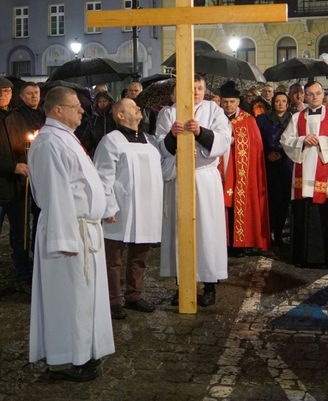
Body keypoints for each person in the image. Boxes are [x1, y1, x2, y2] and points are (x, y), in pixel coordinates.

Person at [28, 87, 114, 382]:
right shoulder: (50, 142)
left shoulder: (65, 138)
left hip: (82, 230)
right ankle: (64, 360)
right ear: (57, 111)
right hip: (66, 231)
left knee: (81, 296)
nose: (82, 110)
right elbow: (56, 195)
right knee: (66, 297)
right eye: (76, 106)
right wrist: (64, 239)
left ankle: (81, 351)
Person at [156, 74, 230, 307]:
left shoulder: (213, 110)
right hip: (178, 176)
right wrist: (172, 137)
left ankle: (209, 285)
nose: (196, 92)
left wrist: (201, 133)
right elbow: (159, 146)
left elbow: (224, 139)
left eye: (200, 88)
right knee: (180, 230)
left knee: (207, 232)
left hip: (204, 179)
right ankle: (183, 285)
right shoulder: (168, 113)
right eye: (192, 87)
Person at [94, 98, 163, 320]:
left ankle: (134, 295)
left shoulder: (149, 140)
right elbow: (103, 176)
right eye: (132, 107)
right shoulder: (111, 141)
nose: (138, 108)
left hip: (146, 206)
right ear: (120, 115)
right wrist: (108, 206)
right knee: (113, 258)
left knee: (139, 256)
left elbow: (161, 170)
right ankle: (113, 300)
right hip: (121, 207)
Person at [281, 81, 328, 269]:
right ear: (305, 96)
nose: (315, 97)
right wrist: (302, 140)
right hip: (304, 173)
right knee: (305, 211)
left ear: (323, 93)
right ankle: (304, 257)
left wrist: (320, 141)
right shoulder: (297, 118)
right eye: (310, 94)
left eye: (318, 93)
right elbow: (286, 140)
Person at [219, 81, 271, 257]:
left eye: (232, 102)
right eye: (225, 101)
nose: (228, 105)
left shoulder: (248, 120)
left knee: (238, 204)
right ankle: (223, 241)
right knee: (220, 204)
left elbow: (256, 146)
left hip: (241, 171)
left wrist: (235, 141)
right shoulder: (215, 118)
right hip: (221, 168)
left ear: (238, 102)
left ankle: (240, 243)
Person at [0, 76, 32, 294]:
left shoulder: (17, 117)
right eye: (0, 91)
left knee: (21, 234)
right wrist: (13, 166)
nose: (3, 95)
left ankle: (23, 275)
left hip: (18, 188)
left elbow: (25, 145)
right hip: (2, 183)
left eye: (7, 91)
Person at [11, 82, 46, 253]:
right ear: (22, 96)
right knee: (22, 217)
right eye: (30, 93)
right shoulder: (16, 116)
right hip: (23, 166)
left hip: (41, 167)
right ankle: (21, 255)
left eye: (36, 93)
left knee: (39, 211)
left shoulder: (43, 114)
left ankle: (37, 250)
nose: (34, 96)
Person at [256, 92, 293, 246]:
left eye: (283, 101)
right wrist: (267, 153)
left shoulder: (294, 119)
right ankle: (267, 234)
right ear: (272, 102)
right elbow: (257, 139)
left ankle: (278, 233)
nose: (280, 104)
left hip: (286, 162)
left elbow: (296, 139)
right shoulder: (263, 119)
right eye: (277, 101)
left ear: (288, 103)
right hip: (267, 163)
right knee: (269, 199)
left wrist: (283, 153)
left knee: (284, 200)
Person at [80, 91, 117, 157]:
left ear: (109, 101)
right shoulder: (93, 119)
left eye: (104, 101)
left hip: (115, 151)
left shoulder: (115, 116)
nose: (102, 103)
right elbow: (87, 139)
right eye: (99, 101)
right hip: (98, 153)